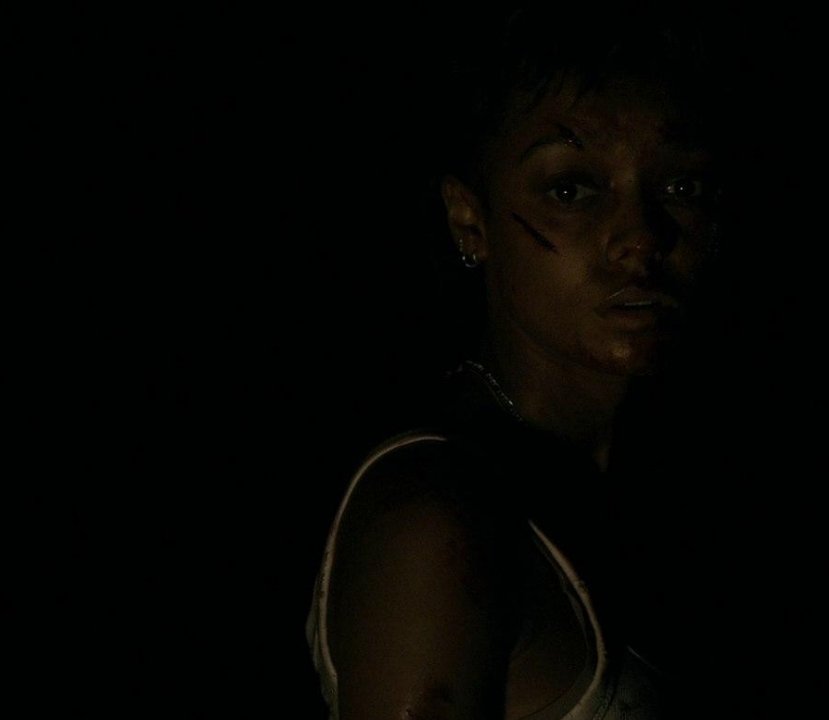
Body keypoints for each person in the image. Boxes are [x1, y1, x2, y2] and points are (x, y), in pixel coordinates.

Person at [306, 7, 730, 718]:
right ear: (469, 219)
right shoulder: (437, 525)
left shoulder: (657, 482)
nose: (640, 237)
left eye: (680, 188)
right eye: (571, 189)